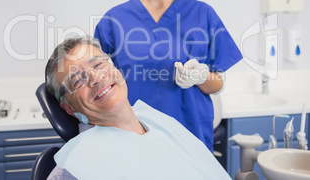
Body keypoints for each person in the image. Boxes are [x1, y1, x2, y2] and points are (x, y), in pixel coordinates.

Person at [94, 0, 243, 151]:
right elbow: (100, 87)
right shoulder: (114, 21)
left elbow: (217, 82)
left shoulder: (202, 14)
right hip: (132, 142)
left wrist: (202, 77)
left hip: (189, 140)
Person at [45, 36, 231, 180]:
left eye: (99, 64)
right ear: (68, 108)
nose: (96, 78)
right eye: (77, 80)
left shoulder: (157, 121)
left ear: (115, 68)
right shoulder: (74, 168)